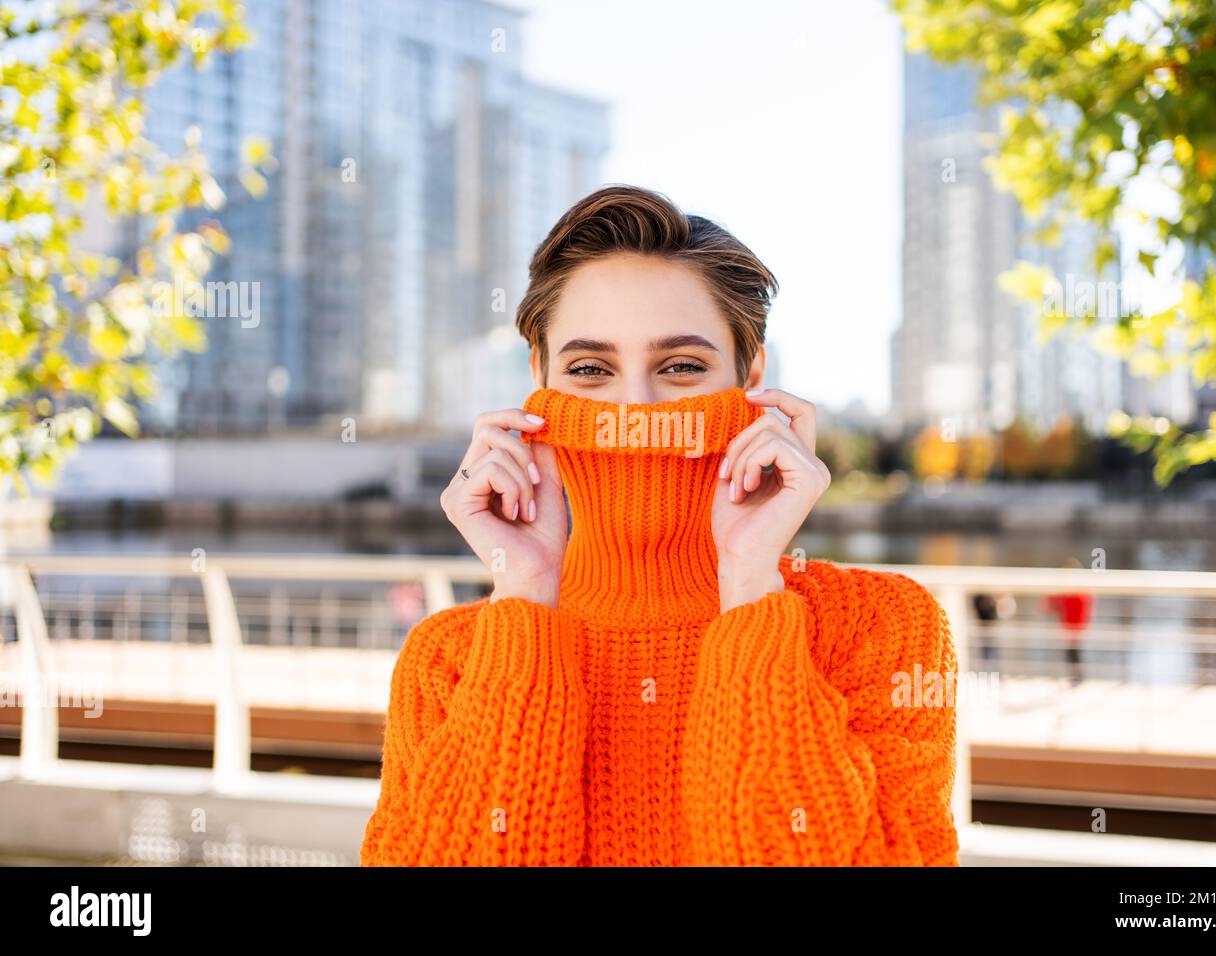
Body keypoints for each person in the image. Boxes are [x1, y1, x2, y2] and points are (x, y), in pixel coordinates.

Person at [360, 185, 959, 867]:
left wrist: (750, 591)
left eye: (680, 367)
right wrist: (524, 597)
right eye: (591, 369)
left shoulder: (882, 629)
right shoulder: (448, 661)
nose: (635, 407)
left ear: (751, 376)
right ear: (539, 380)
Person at [1045, 558, 1092, 686]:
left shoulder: (1077, 590)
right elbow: (1051, 605)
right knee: (1072, 652)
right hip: (1070, 625)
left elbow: (1055, 605)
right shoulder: (1075, 590)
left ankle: (1076, 677)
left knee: (1072, 652)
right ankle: (1075, 677)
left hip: (1074, 626)